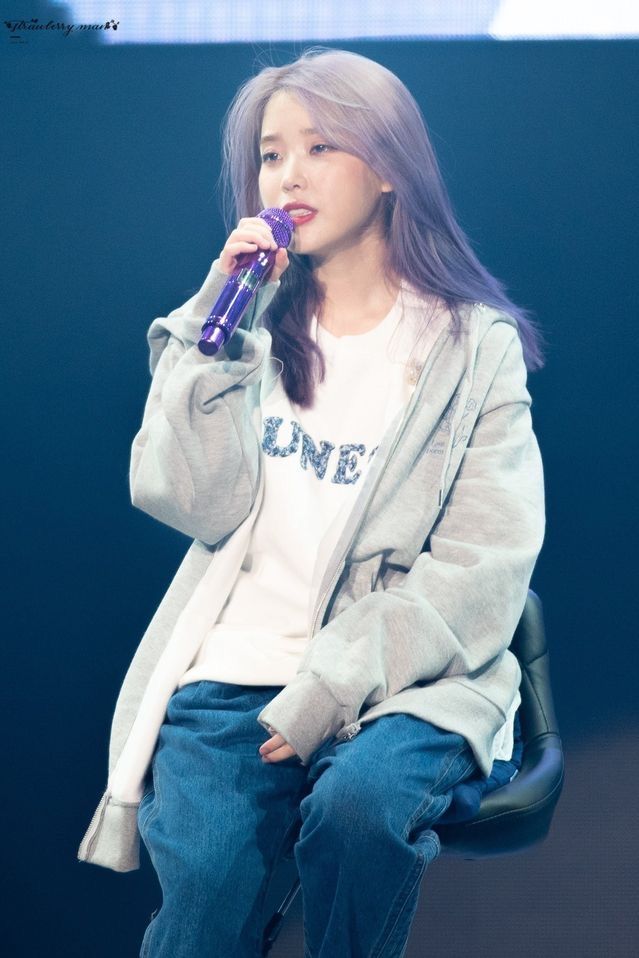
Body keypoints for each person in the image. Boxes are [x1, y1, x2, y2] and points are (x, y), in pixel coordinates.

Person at [77, 47, 545, 958]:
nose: (286, 174)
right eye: (269, 154)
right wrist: (214, 335)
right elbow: (183, 497)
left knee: (361, 805)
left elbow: (484, 562)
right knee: (205, 891)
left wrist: (331, 683)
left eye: (320, 147)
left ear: (386, 169)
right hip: (233, 679)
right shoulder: (240, 325)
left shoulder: (468, 347)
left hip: (399, 680)